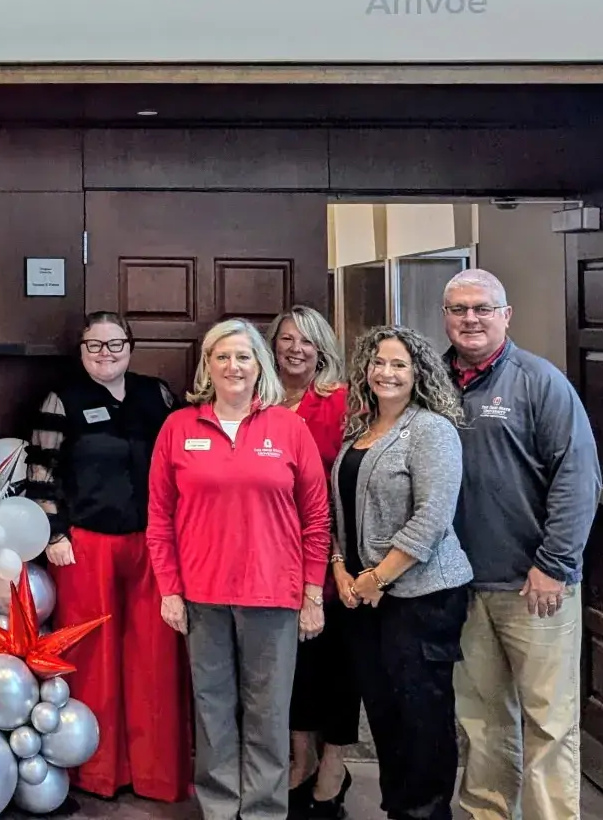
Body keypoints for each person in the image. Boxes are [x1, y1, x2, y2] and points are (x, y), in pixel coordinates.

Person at [147, 318, 331, 820]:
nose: (233, 366)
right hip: (201, 596)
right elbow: (159, 517)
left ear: (260, 366)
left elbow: (317, 519)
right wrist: (169, 589)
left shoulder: (289, 429)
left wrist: (312, 593)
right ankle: (220, 808)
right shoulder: (178, 428)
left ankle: (265, 811)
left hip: (274, 596)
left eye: (243, 356)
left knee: (268, 715)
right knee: (212, 712)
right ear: (208, 365)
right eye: (222, 356)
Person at [441, 269, 601, 820]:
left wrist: (553, 565)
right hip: (459, 587)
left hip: (535, 586)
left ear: (505, 315)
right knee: (482, 723)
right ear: (446, 317)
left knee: (549, 723)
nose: (471, 319)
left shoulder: (540, 381)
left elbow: (579, 478)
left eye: (483, 308)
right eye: (460, 309)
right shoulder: (430, 382)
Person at [24, 311, 189, 801]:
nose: (106, 355)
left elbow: (182, 462)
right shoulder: (62, 400)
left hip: (152, 543)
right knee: (93, 658)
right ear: (81, 352)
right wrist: (53, 532)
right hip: (85, 544)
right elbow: (40, 470)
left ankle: (156, 776)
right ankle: (97, 773)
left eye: (115, 345)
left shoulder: (156, 394)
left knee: (154, 661)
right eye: (94, 346)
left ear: (130, 347)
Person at [333, 326, 475, 820]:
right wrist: (339, 569)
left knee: (422, 718)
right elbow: (339, 511)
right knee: (385, 713)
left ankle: (427, 813)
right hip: (363, 598)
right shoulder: (360, 430)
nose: (386, 372)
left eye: (399, 364)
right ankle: (399, 810)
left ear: (419, 372)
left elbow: (433, 517)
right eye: (378, 362)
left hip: (421, 597)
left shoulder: (431, 429)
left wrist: (378, 577)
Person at [268, 306, 355, 819]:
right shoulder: (258, 399)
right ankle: (300, 760)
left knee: (338, 669)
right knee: (294, 670)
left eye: (306, 340)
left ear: (321, 347)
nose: (295, 349)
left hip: (337, 554)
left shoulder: (340, 402)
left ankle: (334, 768)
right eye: (285, 339)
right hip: (274, 556)